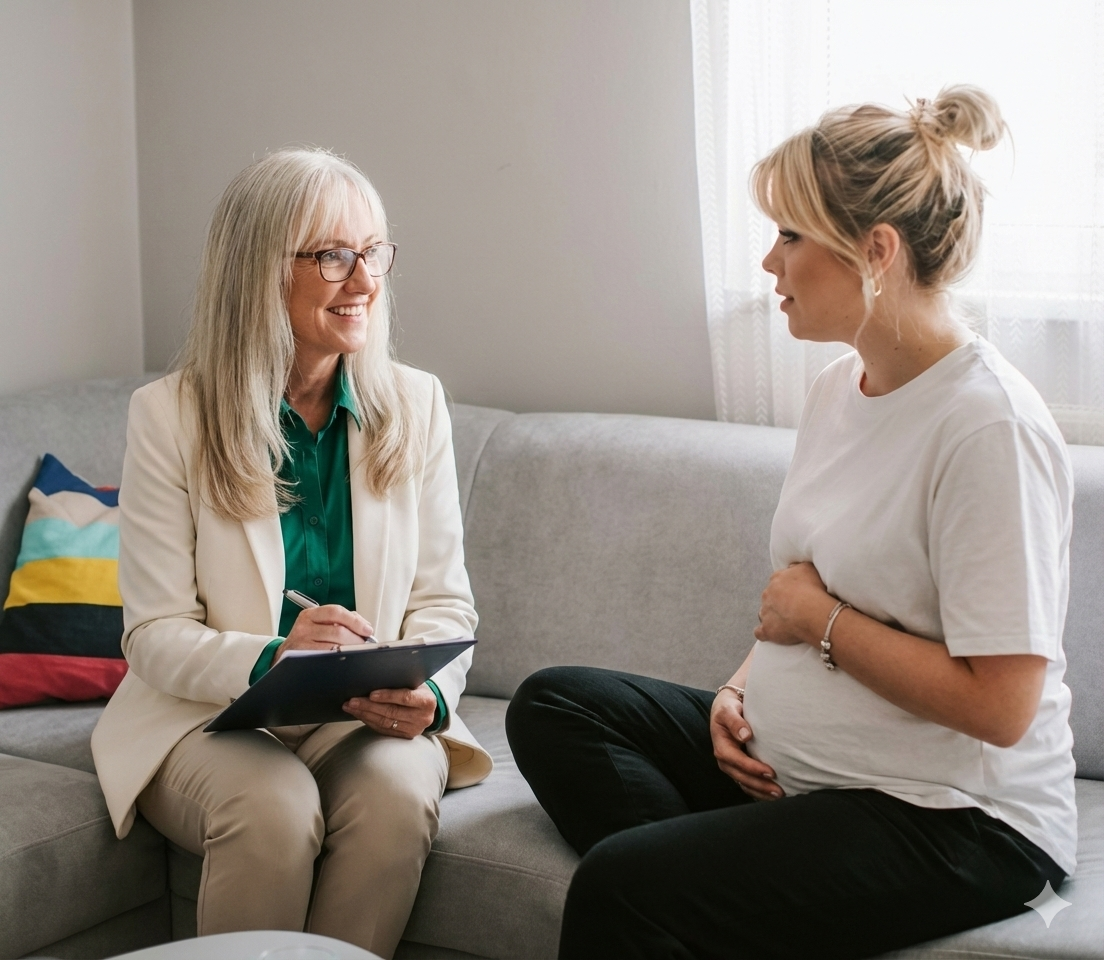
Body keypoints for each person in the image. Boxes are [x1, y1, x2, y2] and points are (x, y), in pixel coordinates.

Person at [506, 86, 1076, 959]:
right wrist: (740, 688)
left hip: (956, 818)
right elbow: (798, 589)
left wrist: (823, 625)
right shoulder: (834, 391)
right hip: (800, 775)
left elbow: (1001, 706)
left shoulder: (987, 426)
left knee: (623, 886)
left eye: (789, 235)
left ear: (874, 251)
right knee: (556, 705)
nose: (769, 264)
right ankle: (710, 907)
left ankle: (677, 899)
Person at [91, 148, 492, 959]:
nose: (365, 279)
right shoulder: (169, 417)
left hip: (353, 717)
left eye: (374, 251)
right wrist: (277, 656)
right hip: (202, 719)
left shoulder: (415, 405)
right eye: (333, 255)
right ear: (257, 271)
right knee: (273, 807)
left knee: (402, 789)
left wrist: (432, 700)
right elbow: (155, 632)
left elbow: (445, 604)